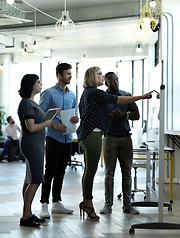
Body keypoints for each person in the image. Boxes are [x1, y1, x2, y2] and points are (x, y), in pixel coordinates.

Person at [77, 66, 153, 221]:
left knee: (92, 171)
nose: (102, 76)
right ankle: (89, 204)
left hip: (95, 134)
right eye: (100, 74)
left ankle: (89, 203)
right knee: (93, 171)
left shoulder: (87, 93)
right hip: (96, 134)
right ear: (95, 78)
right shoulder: (95, 93)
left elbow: (83, 112)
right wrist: (142, 96)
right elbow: (119, 100)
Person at [39, 63, 79, 218]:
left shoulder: (72, 95)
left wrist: (75, 119)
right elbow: (41, 115)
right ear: (59, 75)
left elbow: (74, 114)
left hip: (68, 138)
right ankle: (44, 204)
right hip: (53, 137)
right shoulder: (48, 93)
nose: (70, 76)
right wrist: (55, 124)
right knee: (49, 171)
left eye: (71, 73)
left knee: (61, 172)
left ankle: (56, 202)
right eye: (67, 73)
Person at [99, 72, 140, 215]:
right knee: (109, 173)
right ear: (107, 83)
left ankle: (128, 205)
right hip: (109, 138)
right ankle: (108, 205)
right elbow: (97, 118)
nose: (116, 82)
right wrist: (109, 116)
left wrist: (124, 114)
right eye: (112, 81)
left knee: (127, 172)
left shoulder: (126, 96)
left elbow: (137, 115)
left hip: (125, 138)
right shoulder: (102, 98)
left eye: (117, 79)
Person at [18, 74, 52, 227]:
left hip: (35, 144)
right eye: (38, 82)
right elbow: (31, 127)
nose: (41, 84)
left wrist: (48, 121)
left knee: (29, 179)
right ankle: (26, 217)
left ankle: (28, 213)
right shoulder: (26, 103)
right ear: (31, 85)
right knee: (37, 179)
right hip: (32, 144)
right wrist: (46, 123)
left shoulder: (32, 103)